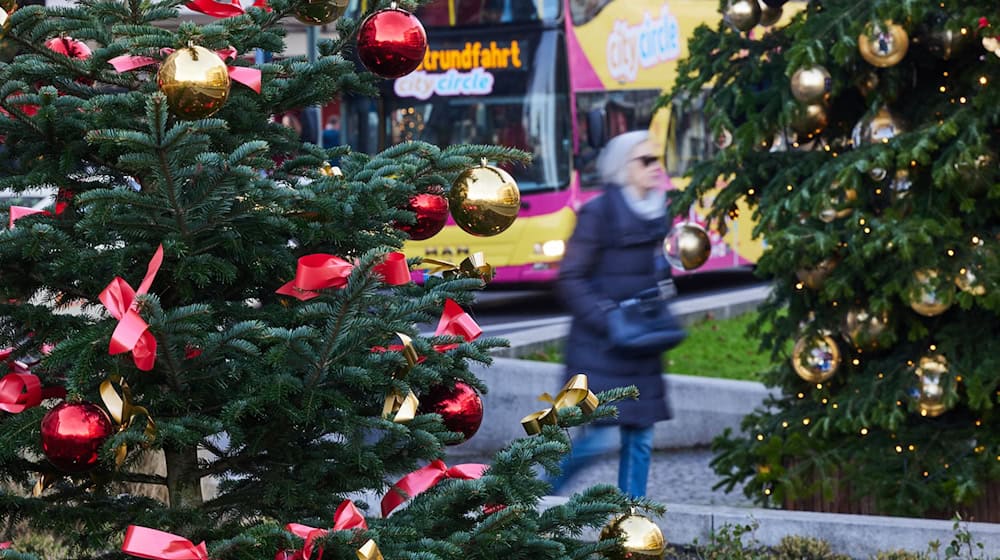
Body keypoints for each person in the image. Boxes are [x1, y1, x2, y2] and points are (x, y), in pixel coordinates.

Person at [550, 130, 673, 499]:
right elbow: (570, 278)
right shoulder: (599, 213)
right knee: (597, 437)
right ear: (624, 167)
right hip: (601, 347)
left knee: (641, 437)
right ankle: (535, 499)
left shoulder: (657, 213)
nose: (655, 167)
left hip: (642, 347)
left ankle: (630, 522)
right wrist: (610, 320)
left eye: (657, 159)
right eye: (646, 160)